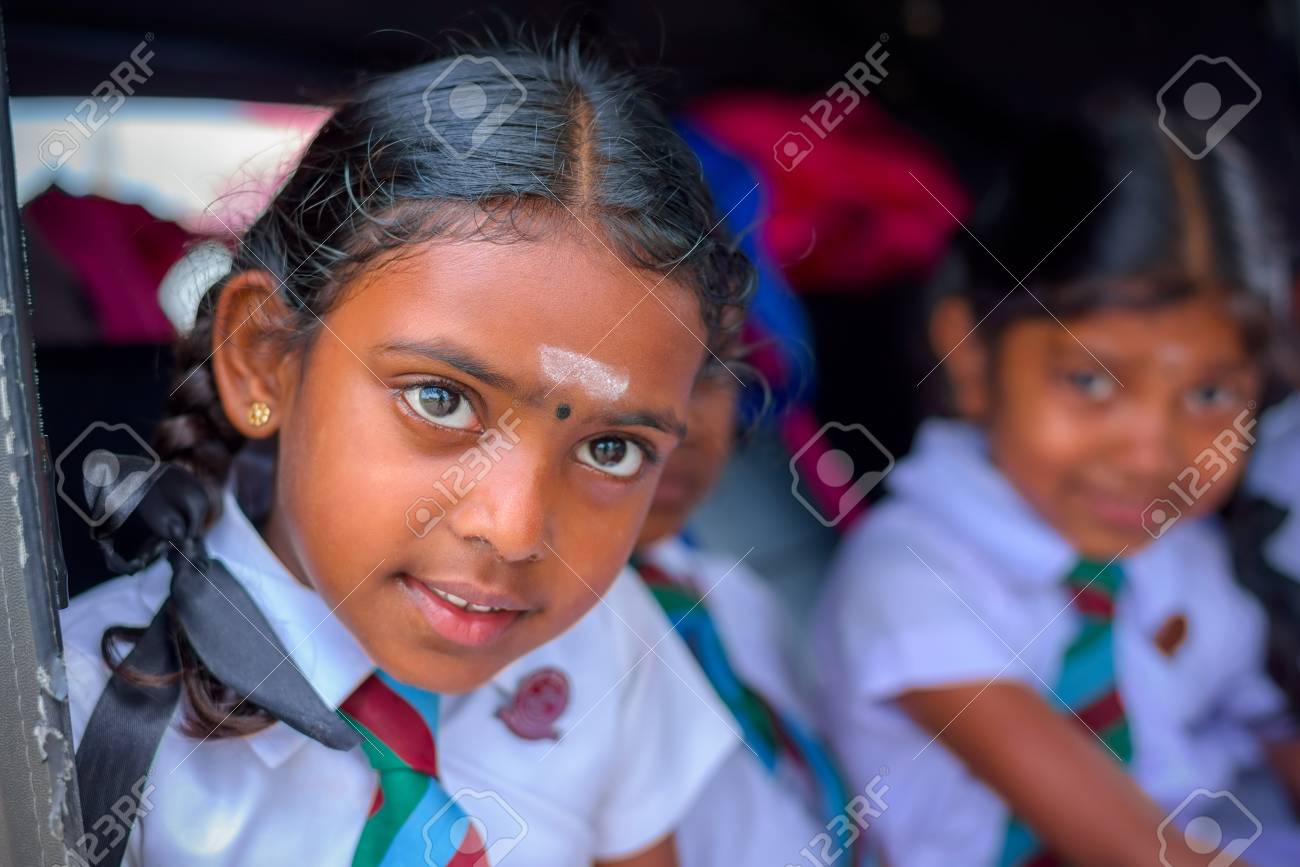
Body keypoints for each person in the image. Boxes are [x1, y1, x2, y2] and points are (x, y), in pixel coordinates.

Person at [60, 36, 754, 867]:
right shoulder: (77, 718)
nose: (514, 528)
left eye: (611, 446)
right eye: (440, 399)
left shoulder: (609, 647)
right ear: (266, 358)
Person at [815, 107, 1300, 867]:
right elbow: (1138, 853)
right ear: (971, 356)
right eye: (1088, 380)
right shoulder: (909, 584)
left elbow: (1277, 735)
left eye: (1210, 396)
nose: (1151, 452)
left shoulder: (1191, 553)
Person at [633, 350, 879, 867]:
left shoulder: (732, 593)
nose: (682, 424)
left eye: (708, 378)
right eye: (632, 375)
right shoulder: (524, 635)